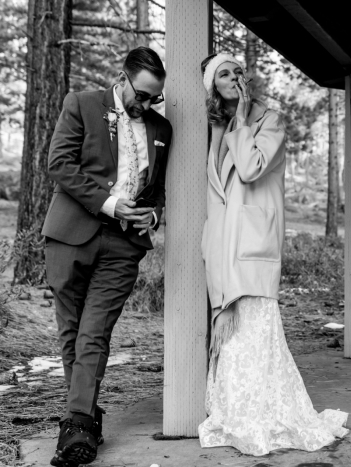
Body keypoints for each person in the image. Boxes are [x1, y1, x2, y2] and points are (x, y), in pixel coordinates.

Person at [197, 52, 348, 456]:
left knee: (254, 336)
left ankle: (265, 417)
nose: (233, 78)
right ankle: (238, 415)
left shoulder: (269, 120)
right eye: (223, 75)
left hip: (253, 246)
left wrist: (244, 118)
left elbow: (249, 169)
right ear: (212, 85)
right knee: (233, 343)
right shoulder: (214, 127)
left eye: (237, 72)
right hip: (223, 247)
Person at [42, 46, 172, 466]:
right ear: (122, 77)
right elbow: (60, 164)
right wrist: (110, 203)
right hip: (71, 234)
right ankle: (84, 415)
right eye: (143, 95)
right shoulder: (81, 104)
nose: (148, 104)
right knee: (72, 331)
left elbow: (157, 191)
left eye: (156, 98)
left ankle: (77, 424)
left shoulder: (161, 128)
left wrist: (151, 213)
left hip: (123, 245)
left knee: (94, 330)